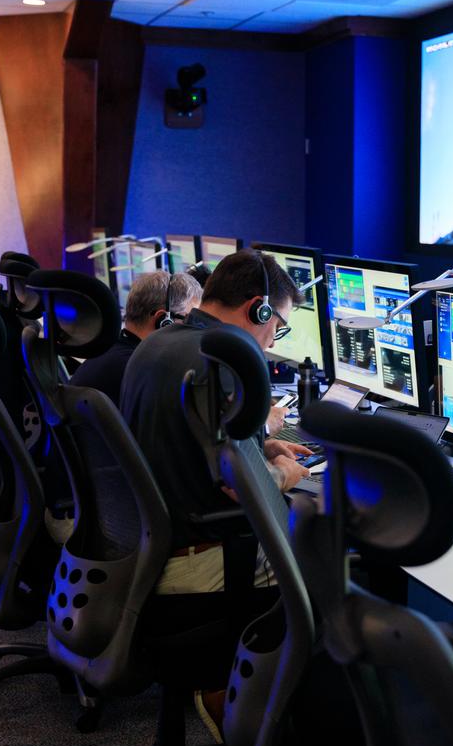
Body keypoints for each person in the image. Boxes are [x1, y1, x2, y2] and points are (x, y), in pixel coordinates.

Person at [120, 250, 310, 597]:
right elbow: (244, 487)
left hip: (144, 548)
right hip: (202, 558)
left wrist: (261, 445)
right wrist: (285, 473)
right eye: (278, 325)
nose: (271, 340)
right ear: (258, 308)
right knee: (326, 567)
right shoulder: (230, 358)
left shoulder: (156, 342)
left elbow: (185, 435)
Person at [68, 270, 200, 406]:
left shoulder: (109, 351)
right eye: (188, 320)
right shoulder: (145, 372)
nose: (192, 329)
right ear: (163, 320)